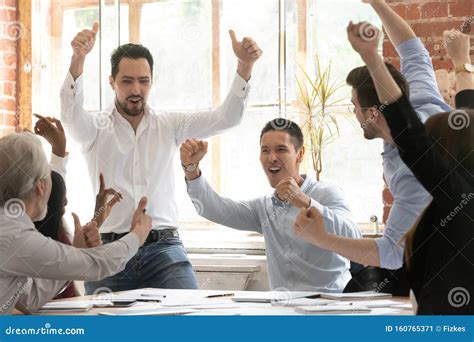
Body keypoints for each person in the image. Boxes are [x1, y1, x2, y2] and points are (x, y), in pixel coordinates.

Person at [60, 23, 262, 294]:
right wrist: (78, 59)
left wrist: (244, 66)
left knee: (189, 320)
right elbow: (70, 115)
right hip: (109, 251)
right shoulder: (94, 128)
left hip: (163, 251)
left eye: (143, 81)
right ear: (111, 82)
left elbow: (227, 118)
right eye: (127, 81)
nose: (136, 90)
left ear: (151, 82)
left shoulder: (169, 125)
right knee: (102, 329)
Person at [292, 1, 453, 292]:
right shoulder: (419, 98)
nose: (353, 112)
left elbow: (392, 253)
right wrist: (377, 3)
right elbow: (412, 48)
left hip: (451, 262)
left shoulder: (412, 171)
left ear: (373, 114)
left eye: (355, 106)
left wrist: (320, 238)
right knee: (359, 286)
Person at [344, 20, 474, 314]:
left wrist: (371, 55)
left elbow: (408, 131)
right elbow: (467, 115)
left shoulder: (451, 190)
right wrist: (461, 63)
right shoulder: (466, 172)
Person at [180, 119, 361, 292]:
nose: (272, 158)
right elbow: (214, 208)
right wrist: (191, 168)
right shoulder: (264, 208)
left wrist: (305, 201)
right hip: (283, 310)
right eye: (265, 150)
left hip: (331, 308)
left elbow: (354, 237)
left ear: (300, 154)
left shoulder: (327, 193)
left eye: (281, 150)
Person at [0, 132, 152, 314]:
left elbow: (31, 297)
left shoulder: (10, 230)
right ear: (40, 187)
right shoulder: (13, 235)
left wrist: (77, 251)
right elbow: (98, 264)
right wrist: (138, 234)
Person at [32, 115, 122, 298]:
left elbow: (55, 187)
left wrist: (97, 219)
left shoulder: (54, 225)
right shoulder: (19, 240)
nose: (64, 203)